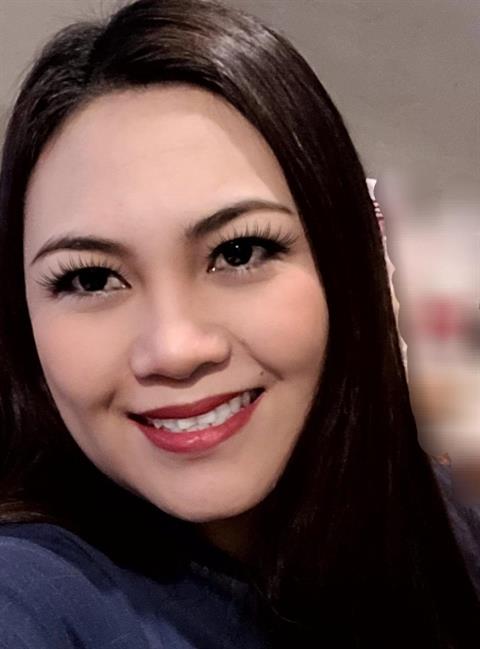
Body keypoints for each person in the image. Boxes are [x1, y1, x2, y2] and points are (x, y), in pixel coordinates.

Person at [0, 1, 478, 647]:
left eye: (239, 252)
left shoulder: (442, 521)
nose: (175, 348)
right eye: (89, 279)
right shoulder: (34, 596)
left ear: (346, 266)